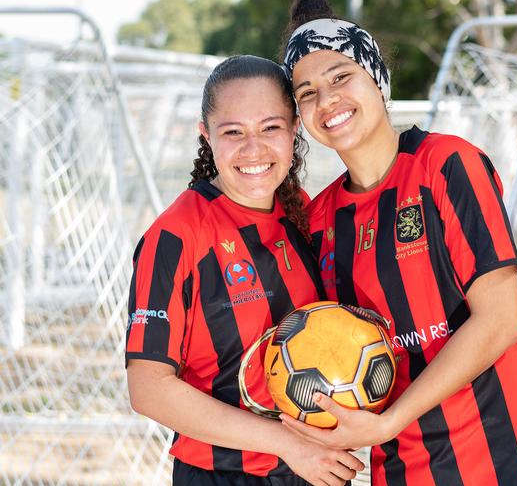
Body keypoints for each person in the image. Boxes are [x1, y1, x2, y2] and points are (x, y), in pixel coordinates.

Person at [278, 1, 517, 485]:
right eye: (306, 92)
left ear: (377, 77)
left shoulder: (447, 165)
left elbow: (499, 321)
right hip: (401, 466)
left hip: (505, 450)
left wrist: (389, 421)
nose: (326, 100)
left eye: (340, 77)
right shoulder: (320, 220)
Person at [125, 54, 364, 486]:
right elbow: (149, 389)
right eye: (233, 132)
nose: (253, 149)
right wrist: (289, 444)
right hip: (223, 475)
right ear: (206, 135)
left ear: (295, 129)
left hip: (316, 471)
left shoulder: (304, 217)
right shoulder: (176, 237)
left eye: (270, 127)